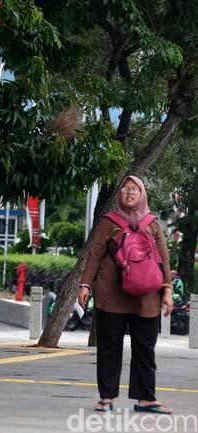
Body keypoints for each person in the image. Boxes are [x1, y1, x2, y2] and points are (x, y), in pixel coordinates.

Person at [78, 175, 173, 414]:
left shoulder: (152, 223)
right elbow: (95, 254)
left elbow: (163, 258)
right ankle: (106, 398)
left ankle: (146, 399)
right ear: (119, 194)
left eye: (134, 189)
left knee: (145, 348)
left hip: (147, 296)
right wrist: (85, 285)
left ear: (142, 194)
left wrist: (168, 290)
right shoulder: (108, 221)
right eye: (125, 189)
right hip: (111, 294)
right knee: (109, 347)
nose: (129, 193)